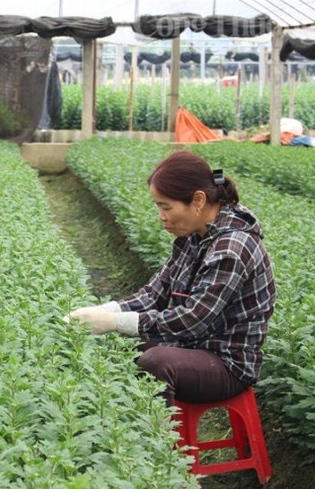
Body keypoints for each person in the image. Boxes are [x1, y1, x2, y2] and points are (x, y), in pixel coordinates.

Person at [65, 150, 275, 406]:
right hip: (192, 345)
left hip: (227, 362)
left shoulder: (232, 247)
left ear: (198, 200)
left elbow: (192, 320)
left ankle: (156, 440)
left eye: (166, 207)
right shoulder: (194, 236)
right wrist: (102, 311)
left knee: (155, 362)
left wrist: (115, 322)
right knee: (122, 348)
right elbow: (155, 294)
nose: (161, 216)